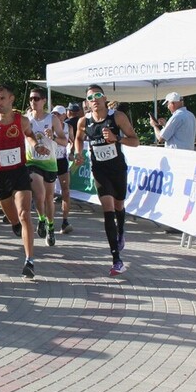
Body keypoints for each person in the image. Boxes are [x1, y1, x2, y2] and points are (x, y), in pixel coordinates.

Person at [0, 84, 47, 279]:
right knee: (14, 219)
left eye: (2, 98)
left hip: (19, 171)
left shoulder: (21, 120)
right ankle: (14, 224)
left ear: (11, 99)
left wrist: (36, 146)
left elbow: (29, 135)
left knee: (24, 215)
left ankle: (29, 260)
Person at [74, 85, 139, 276]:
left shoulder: (117, 117)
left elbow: (135, 140)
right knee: (108, 208)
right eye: (90, 97)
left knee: (119, 205)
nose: (94, 99)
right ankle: (116, 259)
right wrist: (78, 153)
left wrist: (116, 138)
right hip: (99, 170)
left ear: (104, 98)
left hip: (117, 169)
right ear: (87, 102)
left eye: (98, 95)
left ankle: (121, 232)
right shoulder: (83, 121)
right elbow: (78, 138)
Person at [25, 90, 67, 246]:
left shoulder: (52, 119)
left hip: (49, 162)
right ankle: (41, 219)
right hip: (32, 162)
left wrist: (53, 137)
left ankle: (50, 227)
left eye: (36, 98)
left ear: (43, 101)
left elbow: (64, 141)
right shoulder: (26, 119)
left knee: (49, 198)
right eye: (31, 99)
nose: (33, 101)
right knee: (39, 194)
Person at [52, 104, 74, 235]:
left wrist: (72, 152)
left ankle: (65, 221)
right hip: (49, 161)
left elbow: (73, 141)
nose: (55, 116)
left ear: (64, 115)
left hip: (61, 160)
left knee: (66, 191)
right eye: (54, 114)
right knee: (49, 194)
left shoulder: (68, 127)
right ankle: (49, 220)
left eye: (58, 114)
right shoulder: (49, 126)